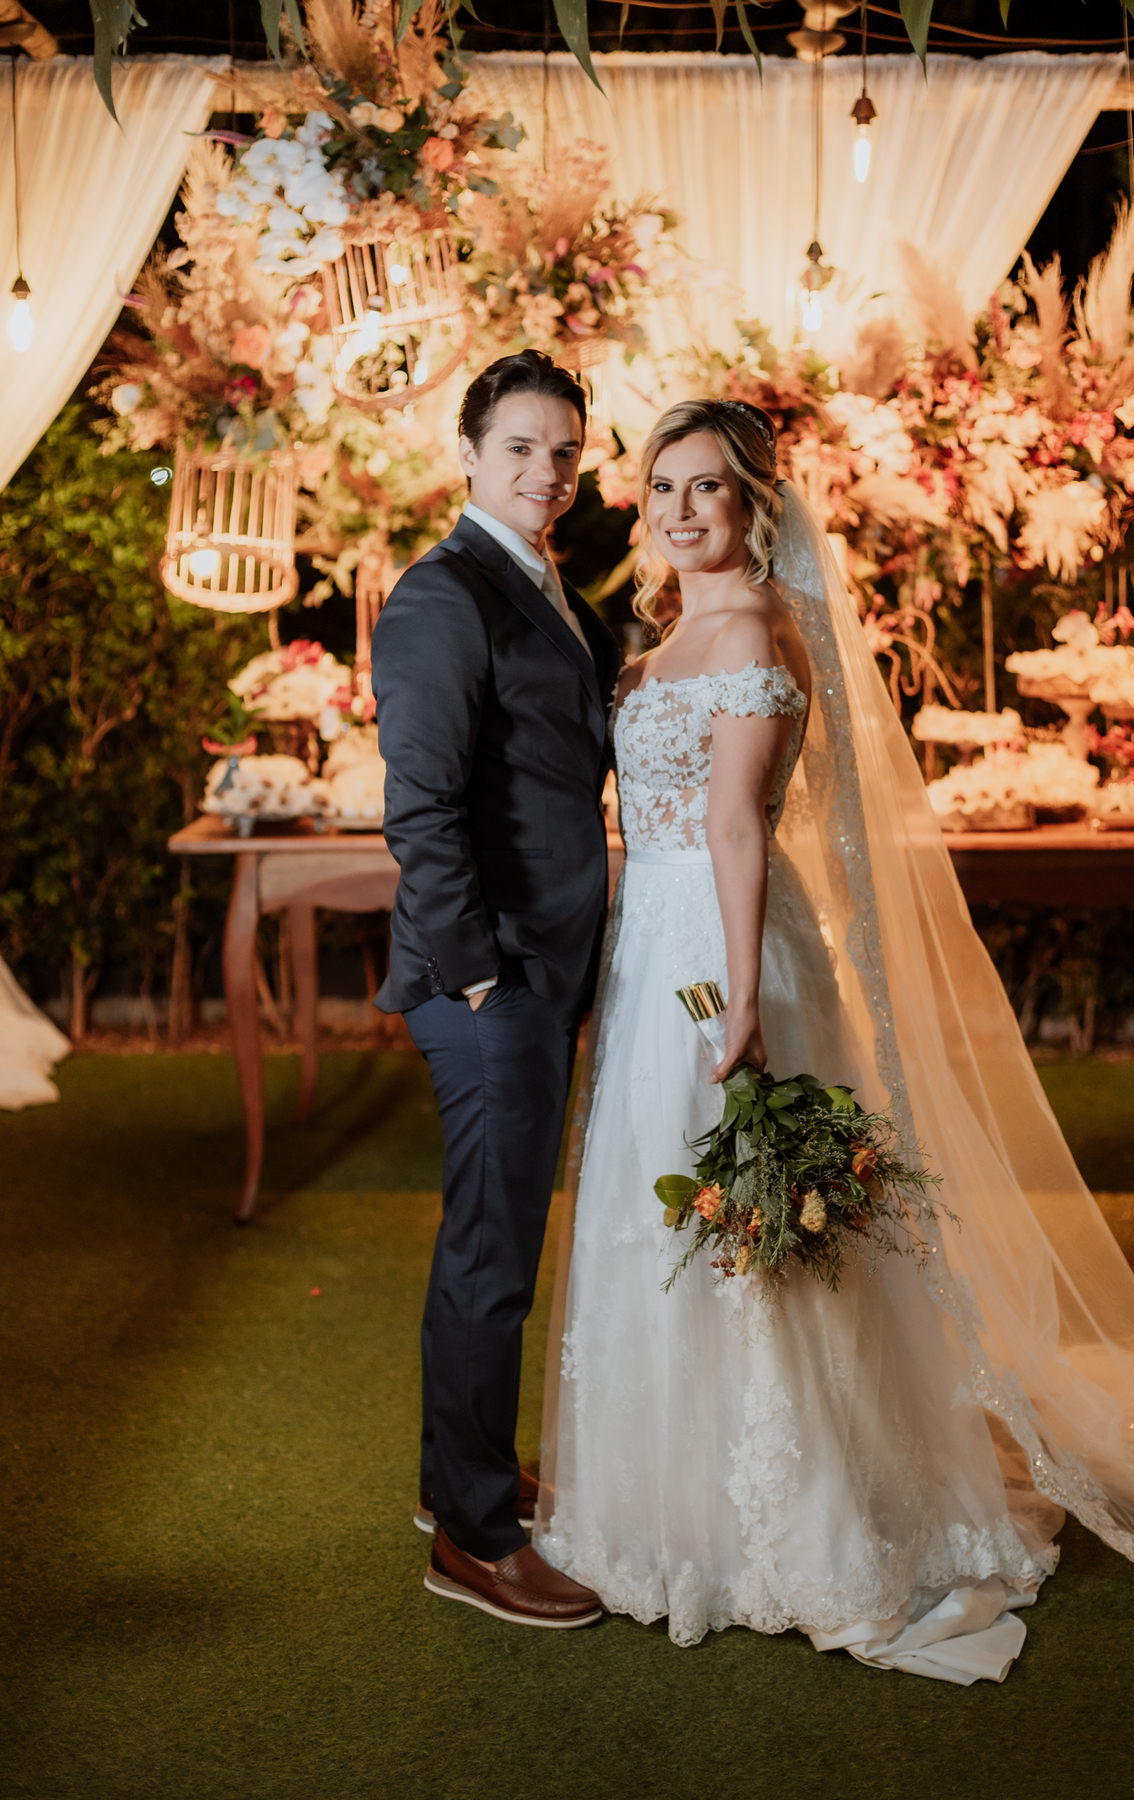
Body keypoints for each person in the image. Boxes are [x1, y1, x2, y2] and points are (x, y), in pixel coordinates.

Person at [536, 397, 1134, 1681]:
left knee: (754, 1227)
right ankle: (673, 1505)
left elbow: (737, 824)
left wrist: (742, 999)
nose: (679, 510)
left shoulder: (754, 632)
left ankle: (810, 1522)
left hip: (725, 949)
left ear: (753, 505)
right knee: (667, 1213)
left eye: (706, 487)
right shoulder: (668, 637)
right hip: (655, 941)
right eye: (662, 486)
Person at [373, 350, 621, 1628]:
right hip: (489, 977)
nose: (547, 471)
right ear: (467, 454)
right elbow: (419, 808)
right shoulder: (441, 594)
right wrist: (477, 976)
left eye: (565, 451)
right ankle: (473, 1541)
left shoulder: (545, 586)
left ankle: (455, 1477)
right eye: (521, 447)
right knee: (494, 1253)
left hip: (539, 963)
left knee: (489, 1235)